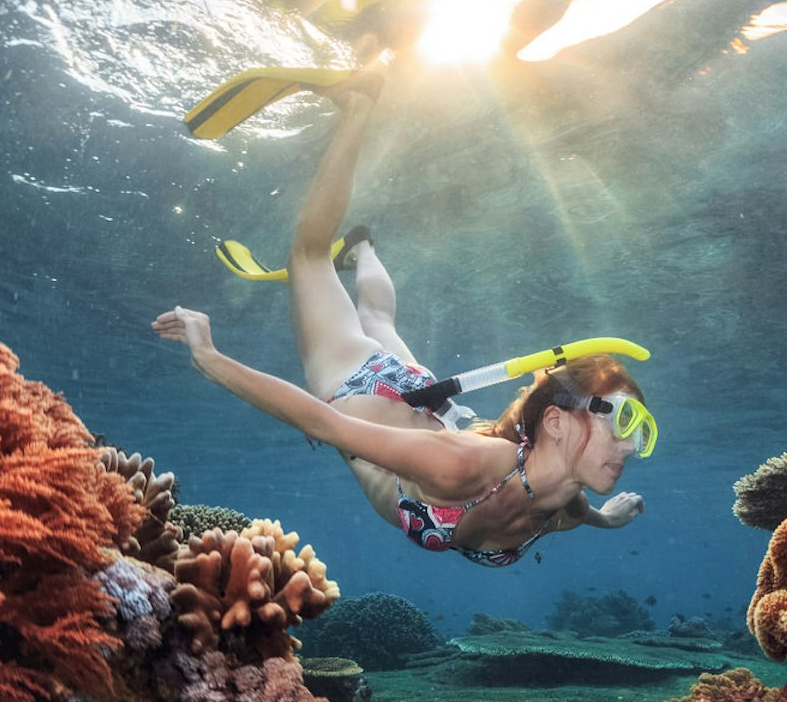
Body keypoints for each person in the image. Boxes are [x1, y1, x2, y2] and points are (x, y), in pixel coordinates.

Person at [153, 75, 651, 561]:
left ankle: (362, 244)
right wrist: (209, 356)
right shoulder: (460, 468)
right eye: (625, 423)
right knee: (308, 257)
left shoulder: (565, 502)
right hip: (355, 392)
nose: (631, 447)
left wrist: (609, 518)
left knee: (377, 317)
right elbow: (321, 422)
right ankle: (356, 106)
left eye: (643, 430)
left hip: (433, 405)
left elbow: (585, 515)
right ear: (556, 422)